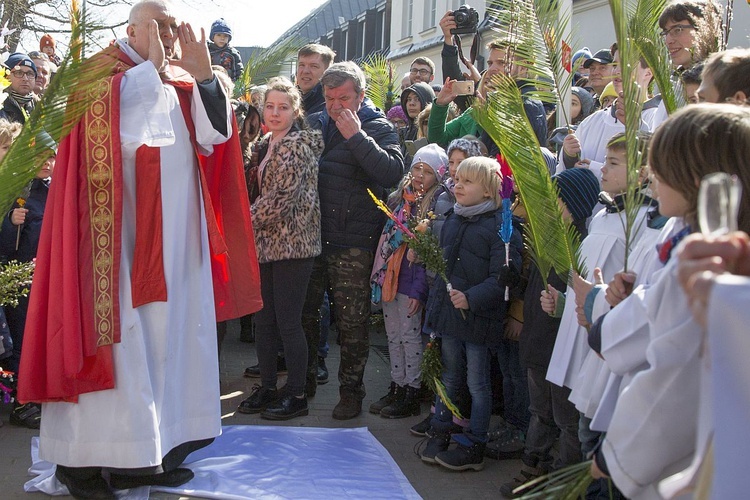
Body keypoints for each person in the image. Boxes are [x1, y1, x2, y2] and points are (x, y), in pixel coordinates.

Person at [16, 1, 262, 497]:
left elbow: (214, 138)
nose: (171, 34)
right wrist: (151, 70)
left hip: (177, 240)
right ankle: (81, 465)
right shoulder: (98, 72)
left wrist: (205, 79)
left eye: (175, 25)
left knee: (170, 342)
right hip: (112, 244)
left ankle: (154, 453)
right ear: (132, 27)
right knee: (118, 345)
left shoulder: (180, 73)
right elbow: (123, 132)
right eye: (161, 25)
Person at [591, 104, 750, 499]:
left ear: (696, 178)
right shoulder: (690, 241)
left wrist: (616, 455)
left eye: (661, 168)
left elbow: (675, 375)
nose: (653, 178)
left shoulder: (707, 263)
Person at [304, 61, 404, 418]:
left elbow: (392, 172)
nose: (335, 106)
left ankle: (351, 392)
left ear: (361, 97)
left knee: (352, 322)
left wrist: (357, 137)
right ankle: (304, 384)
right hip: (314, 237)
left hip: (354, 241)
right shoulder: (316, 121)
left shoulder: (379, 127)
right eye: (329, 98)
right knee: (308, 314)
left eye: (343, 98)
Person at [418, 156, 522, 471]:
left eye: (467, 181)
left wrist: (471, 298)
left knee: (477, 381)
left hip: (478, 318)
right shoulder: (452, 217)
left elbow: (504, 280)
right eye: (457, 179)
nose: (458, 185)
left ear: (489, 191)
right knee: (449, 375)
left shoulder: (502, 229)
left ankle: (474, 441)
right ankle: (442, 427)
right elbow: (443, 267)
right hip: (450, 316)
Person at [501, 167, 600, 498]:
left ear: (573, 204)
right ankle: (533, 469)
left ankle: (562, 481)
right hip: (538, 342)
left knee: (566, 419)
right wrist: (516, 281)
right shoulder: (548, 241)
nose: (549, 203)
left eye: (556, 197)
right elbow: (534, 287)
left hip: (563, 349)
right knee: (539, 411)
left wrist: (560, 308)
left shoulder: (583, 249)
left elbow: (579, 301)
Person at [236, 77, 323, 420]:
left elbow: (279, 201)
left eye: (283, 107)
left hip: (294, 245)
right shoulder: (266, 142)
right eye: (269, 106)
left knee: (288, 322)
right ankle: (269, 387)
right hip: (266, 244)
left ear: (295, 111)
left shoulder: (298, 145)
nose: (275, 113)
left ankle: (297, 393)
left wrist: (241, 222)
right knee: (264, 320)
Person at [369, 144, 447, 419]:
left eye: (427, 171)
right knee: (393, 336)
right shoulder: (398, 200)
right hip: (391, 276)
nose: (420, 175)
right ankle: (397, 384)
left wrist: (418, 291)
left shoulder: (434, 208)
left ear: (437, 176)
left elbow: (425, 258)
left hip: (412, 282)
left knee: (410, 337)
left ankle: (413, 390)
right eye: (417, 168)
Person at [0, 131, 56, 429]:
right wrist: (11, 224)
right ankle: (21, 403)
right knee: (22, 340)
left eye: (50, 156)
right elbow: (6, 248)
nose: (46, 163)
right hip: (21, 281)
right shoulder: (15, 190)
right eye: (38, 157)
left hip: (48, 279)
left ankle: (40, 393)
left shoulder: (55, 188)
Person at [296, 43, 336, 116]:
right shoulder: (289, 100)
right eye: (302, 65)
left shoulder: (329, 107)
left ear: (327, 72)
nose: (305, 71)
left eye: (313, 66)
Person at [0, 52, 37, 125]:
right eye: (19, 73)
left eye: (30, 74)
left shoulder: (39, 108)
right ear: (6, 76)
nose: (25, 78)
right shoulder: (1, 105)